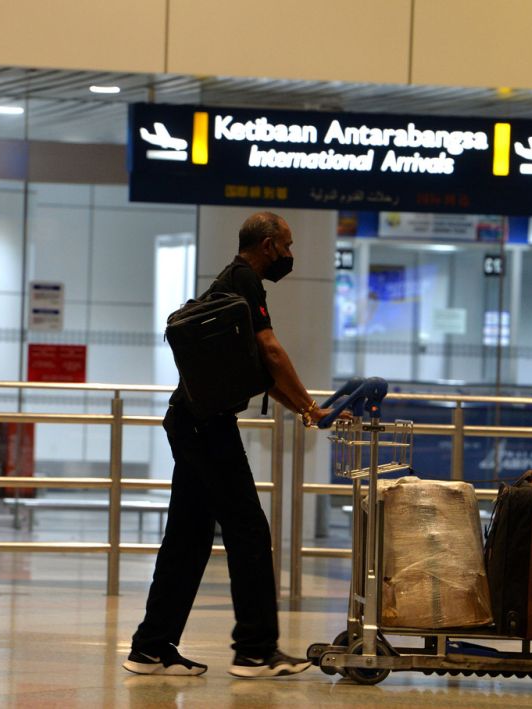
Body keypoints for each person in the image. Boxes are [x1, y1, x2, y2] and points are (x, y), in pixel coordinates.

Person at [124, 211, 338, 678]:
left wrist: (304, 408)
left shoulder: (231, 282)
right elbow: (273, 351)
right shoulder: (245, 281)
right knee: (248, 531)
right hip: (206, 427)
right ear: (267, 246)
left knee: (188, 537)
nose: (290, 254)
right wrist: (308, 405)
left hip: (192, 422)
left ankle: (150, 646)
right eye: (287, 245)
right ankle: (255, 651)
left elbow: (260, 372)